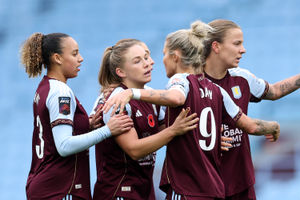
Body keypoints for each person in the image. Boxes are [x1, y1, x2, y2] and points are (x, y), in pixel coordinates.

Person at [101, 21, 280, 199]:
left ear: (175, 57)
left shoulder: (180, 80)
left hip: (186, 187)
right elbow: (251, 126)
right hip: (213, 188)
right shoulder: (217, 89)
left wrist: (133, 93)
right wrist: (272, 127)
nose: (156, 61)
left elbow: (176, 98)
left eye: (163, 54)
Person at [20, 32, 134, 200]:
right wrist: (108, 130)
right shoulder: (60, 92)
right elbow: (64, 145)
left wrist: (86, 125)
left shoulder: (45, 87)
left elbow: (52, 134)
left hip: (48, 185)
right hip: (60, 188)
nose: (80, 58)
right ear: (57, 58)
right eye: (74, 54)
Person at [201, 19, 300, 200]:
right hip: (203, 185)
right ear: (216, 46)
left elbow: (275, 91)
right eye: (237, 43)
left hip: (241, 183)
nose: (243, 49)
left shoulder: (242, 77)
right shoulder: (189, 83)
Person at [91, 38, 200, 200]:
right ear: (121, 72)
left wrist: (211, 134)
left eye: (147, 57)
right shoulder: (116, 100)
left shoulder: (149, 96)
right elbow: (134, 150)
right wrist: (173, 130)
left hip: (144, 189)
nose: (148, 63)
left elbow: (172, 129)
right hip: (119, 191)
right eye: (137, 61)